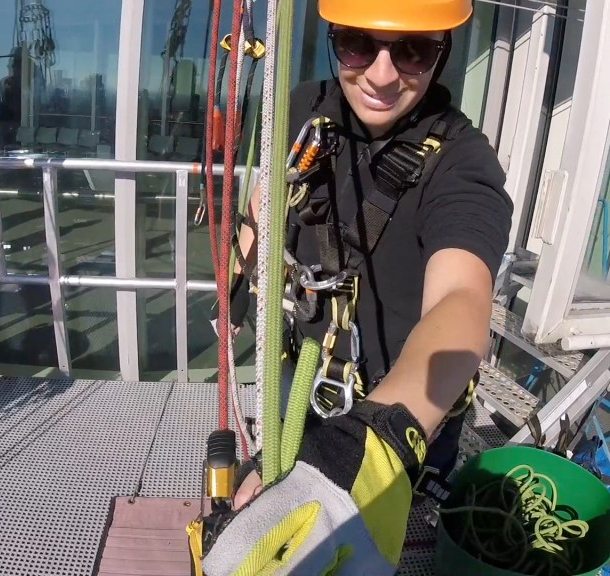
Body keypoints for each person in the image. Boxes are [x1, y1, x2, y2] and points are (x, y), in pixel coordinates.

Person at [202, 1, 513, 574]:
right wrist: (241, 282)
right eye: (358, 45)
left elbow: (461, 302)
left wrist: (378, 440)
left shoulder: (463, 165)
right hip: (304, 392)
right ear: (334, 37)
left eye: (413, 51)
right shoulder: (301, 110)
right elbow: (268, 198)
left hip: (397, 424)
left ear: (442, 52)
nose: (382, 74)